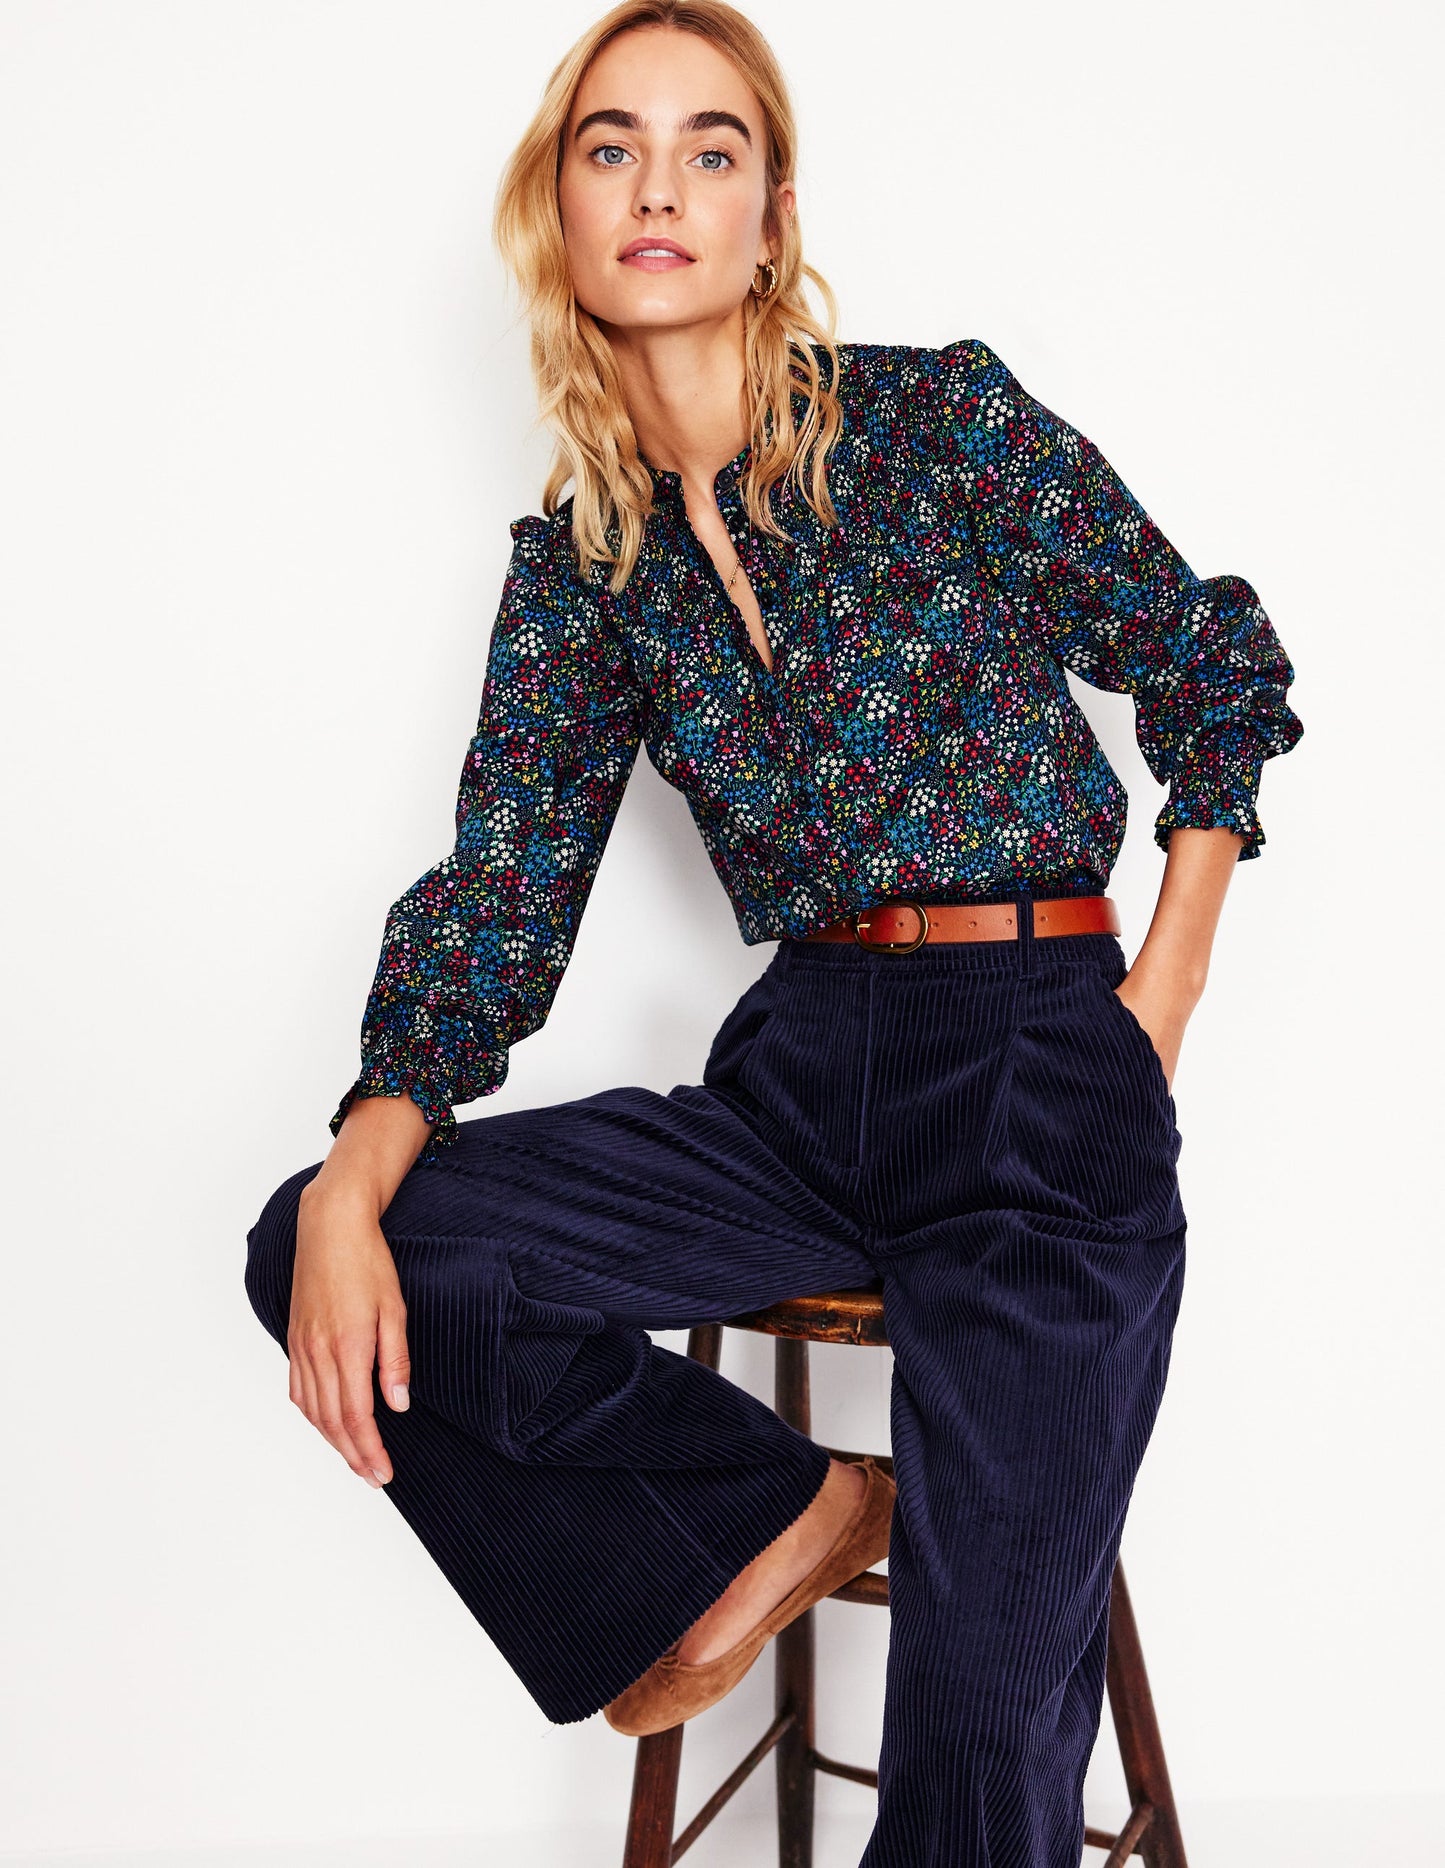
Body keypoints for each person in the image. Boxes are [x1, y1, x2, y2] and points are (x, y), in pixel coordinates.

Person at [243, 3, 1303, 1862]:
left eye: (708, 149)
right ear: (558, 210)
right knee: (337, 1234)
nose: (658, 187)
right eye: (611, 147)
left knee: (972, 1751)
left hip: (1042, 1066)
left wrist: (1160, 994)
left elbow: (1205, 661)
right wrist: (349, 1171)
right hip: (798, 1086)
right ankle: (777, 1510)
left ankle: (883, 1614)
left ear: (769, 214)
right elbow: (503, 892)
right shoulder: (587, 563)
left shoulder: (937, 421)